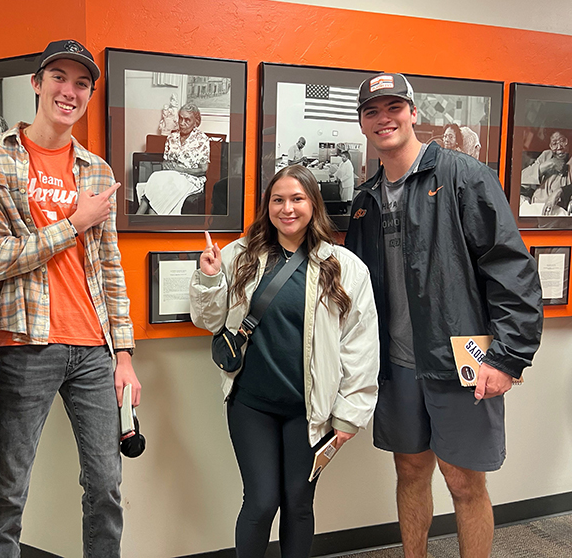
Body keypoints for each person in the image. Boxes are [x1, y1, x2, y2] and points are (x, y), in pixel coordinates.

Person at [345, 73, 543, 558]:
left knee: (462, 482)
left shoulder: (463, 175)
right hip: (396, 367)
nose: (383, 118)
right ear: (363, 124)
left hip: (460, 362)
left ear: (414, 113)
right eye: (372, 111)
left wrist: (508, 357)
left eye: (394, 107)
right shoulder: (365, 201)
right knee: (410, 472)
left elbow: (511, 267)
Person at [0, 39, 141, 558]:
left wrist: (124, 355)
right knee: (8, 487)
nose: (70, 91)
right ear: (37, 83)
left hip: (95, 349)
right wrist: (73, 224)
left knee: (106, 487)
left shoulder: (98, 172)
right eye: (59, 78)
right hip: (27, 344)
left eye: (82, 83)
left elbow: (109, 265)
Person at [189, 164, 379, 558]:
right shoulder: (238, 255)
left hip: (309, 412)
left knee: (297, 503)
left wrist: (349, 416)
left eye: (297, 199)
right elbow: (208, 321)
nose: (287, 208)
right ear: (267, 205)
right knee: (260, 503)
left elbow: (360, 347)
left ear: (313, 204)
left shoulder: (345, 268)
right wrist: (209, 279)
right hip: (250, 404)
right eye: (278, 200)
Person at [136, 102, 210, 214]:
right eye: (180, 118)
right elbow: (166, 160)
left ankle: (143, 215)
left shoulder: (202, 140)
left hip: (191, 179)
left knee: (166, 184)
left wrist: (181, 170)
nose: (182, 123)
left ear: (196, 122)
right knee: (156, 176)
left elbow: (203, 169)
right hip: (172, 175)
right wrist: (165, 164)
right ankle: (147, 216)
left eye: (187, 120)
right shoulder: (172, 137)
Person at [520, 131, 571, 213]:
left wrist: (560, 191)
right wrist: (548, 165)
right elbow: (520, 179)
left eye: (562, 141)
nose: (559, 147)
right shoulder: (546, 155)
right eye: (554, 143)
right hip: (535, 207)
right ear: (550, 146)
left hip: (556, 211)